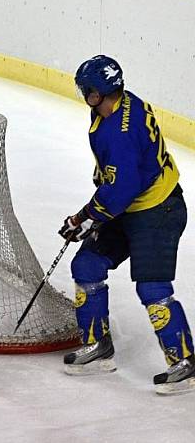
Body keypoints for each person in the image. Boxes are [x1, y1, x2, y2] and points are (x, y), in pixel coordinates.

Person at [58, 55, 194, 394]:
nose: (82, 95)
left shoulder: (120, 131)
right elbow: (120, 176)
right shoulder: (116, 104)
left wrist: (84, 217)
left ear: (97, 93)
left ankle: (186, 363)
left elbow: (120, 191)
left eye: (85, 90)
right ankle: (99, 347)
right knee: (87, 265)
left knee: (153, 289)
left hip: (158, 211)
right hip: (132, 205)